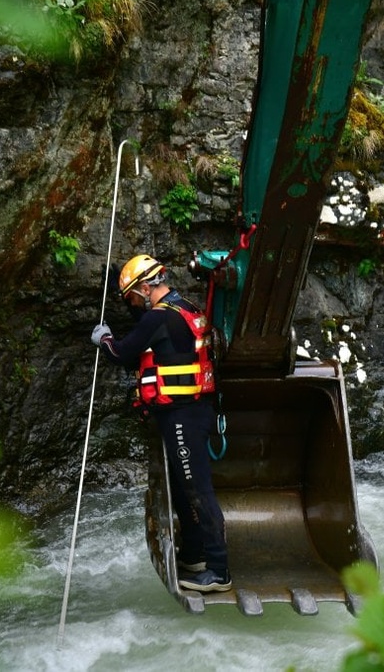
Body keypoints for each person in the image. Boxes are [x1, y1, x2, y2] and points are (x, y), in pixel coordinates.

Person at [90, 254, 232, 593]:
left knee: (197, 489)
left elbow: (123, 354)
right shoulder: (186, 308)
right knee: (183, 486)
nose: (133, 305)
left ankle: (218, 570)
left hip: (183, 415)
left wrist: (104, 338)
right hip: (189, 411)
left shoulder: (158, 319)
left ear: (143, 288)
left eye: (131, 298)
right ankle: (195, 554)